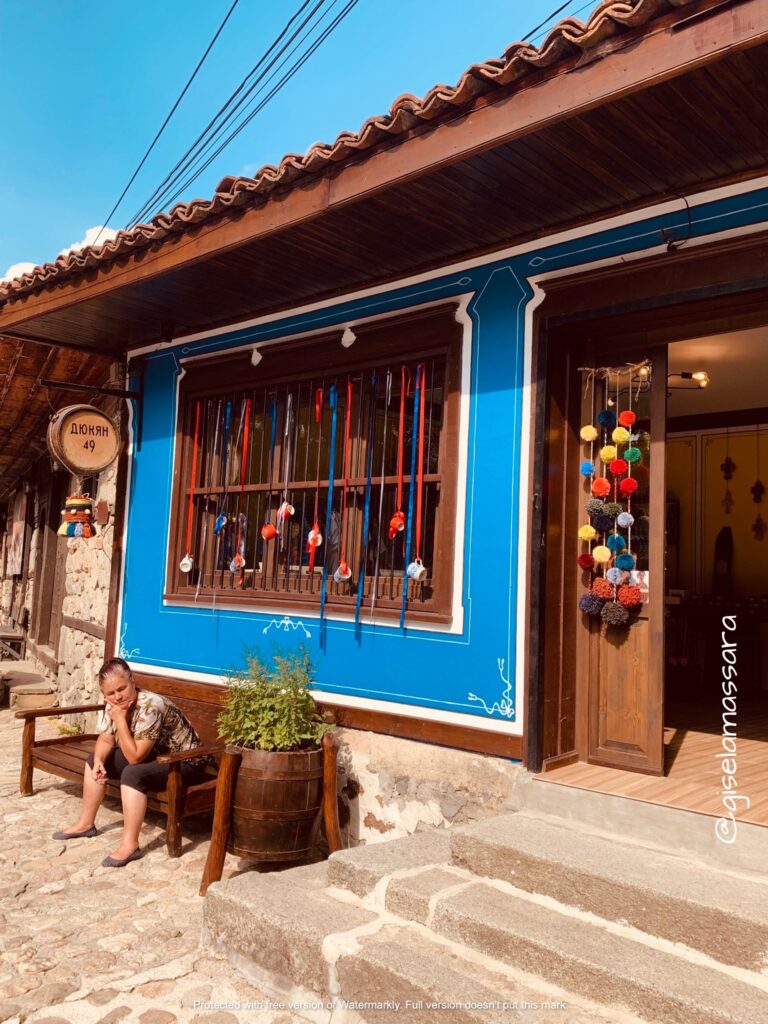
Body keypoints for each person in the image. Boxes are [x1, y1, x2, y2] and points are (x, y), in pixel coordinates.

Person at [53, 657, 210, 867]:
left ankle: (130, 845)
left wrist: (120, 720)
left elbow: (135, 758)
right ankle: (85, 824)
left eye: (121, 688)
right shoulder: (114, 706)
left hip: (187, 762)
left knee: (132, 774)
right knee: (94, 760)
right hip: (157, 756)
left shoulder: (150, 706)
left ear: (132, 682)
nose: (117, 696)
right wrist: (99, 759)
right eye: (111, 693)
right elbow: (106, 739)